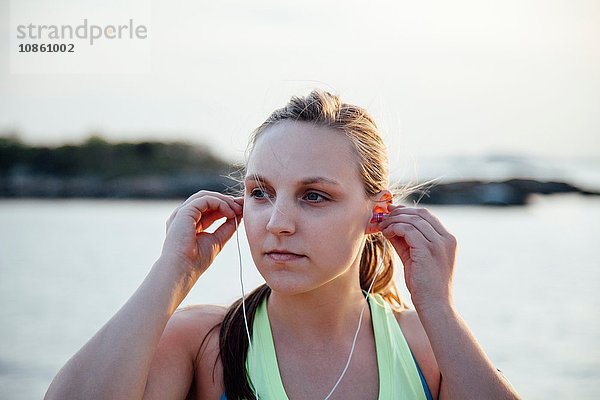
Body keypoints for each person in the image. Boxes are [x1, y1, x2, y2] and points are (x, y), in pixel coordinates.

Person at [44, 90, 521, 400]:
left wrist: (438, 307)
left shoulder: (425, 346)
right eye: (260, 193)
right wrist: (171, 274)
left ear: (377, 213)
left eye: (314, 196)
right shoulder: (199, 342)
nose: (278, 223)